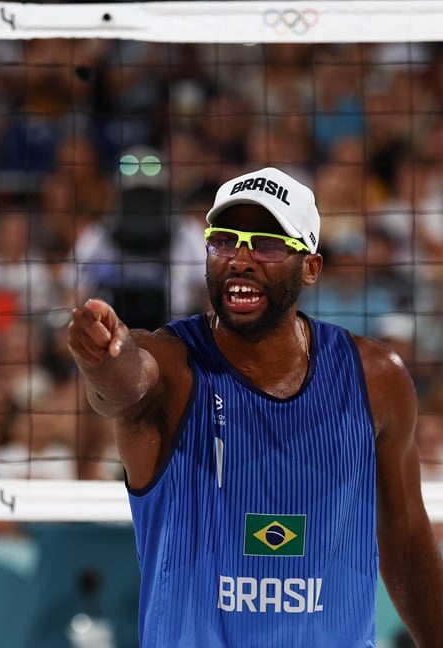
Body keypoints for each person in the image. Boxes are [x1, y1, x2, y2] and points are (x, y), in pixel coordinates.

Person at [68, 166, 443, 646]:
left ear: (310, 266)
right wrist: (102, 358)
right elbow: (122, 386)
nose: (240, 258)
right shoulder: (172, 367)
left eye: (265, 243)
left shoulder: (377, 379)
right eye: (225, 240)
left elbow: (407, 538)